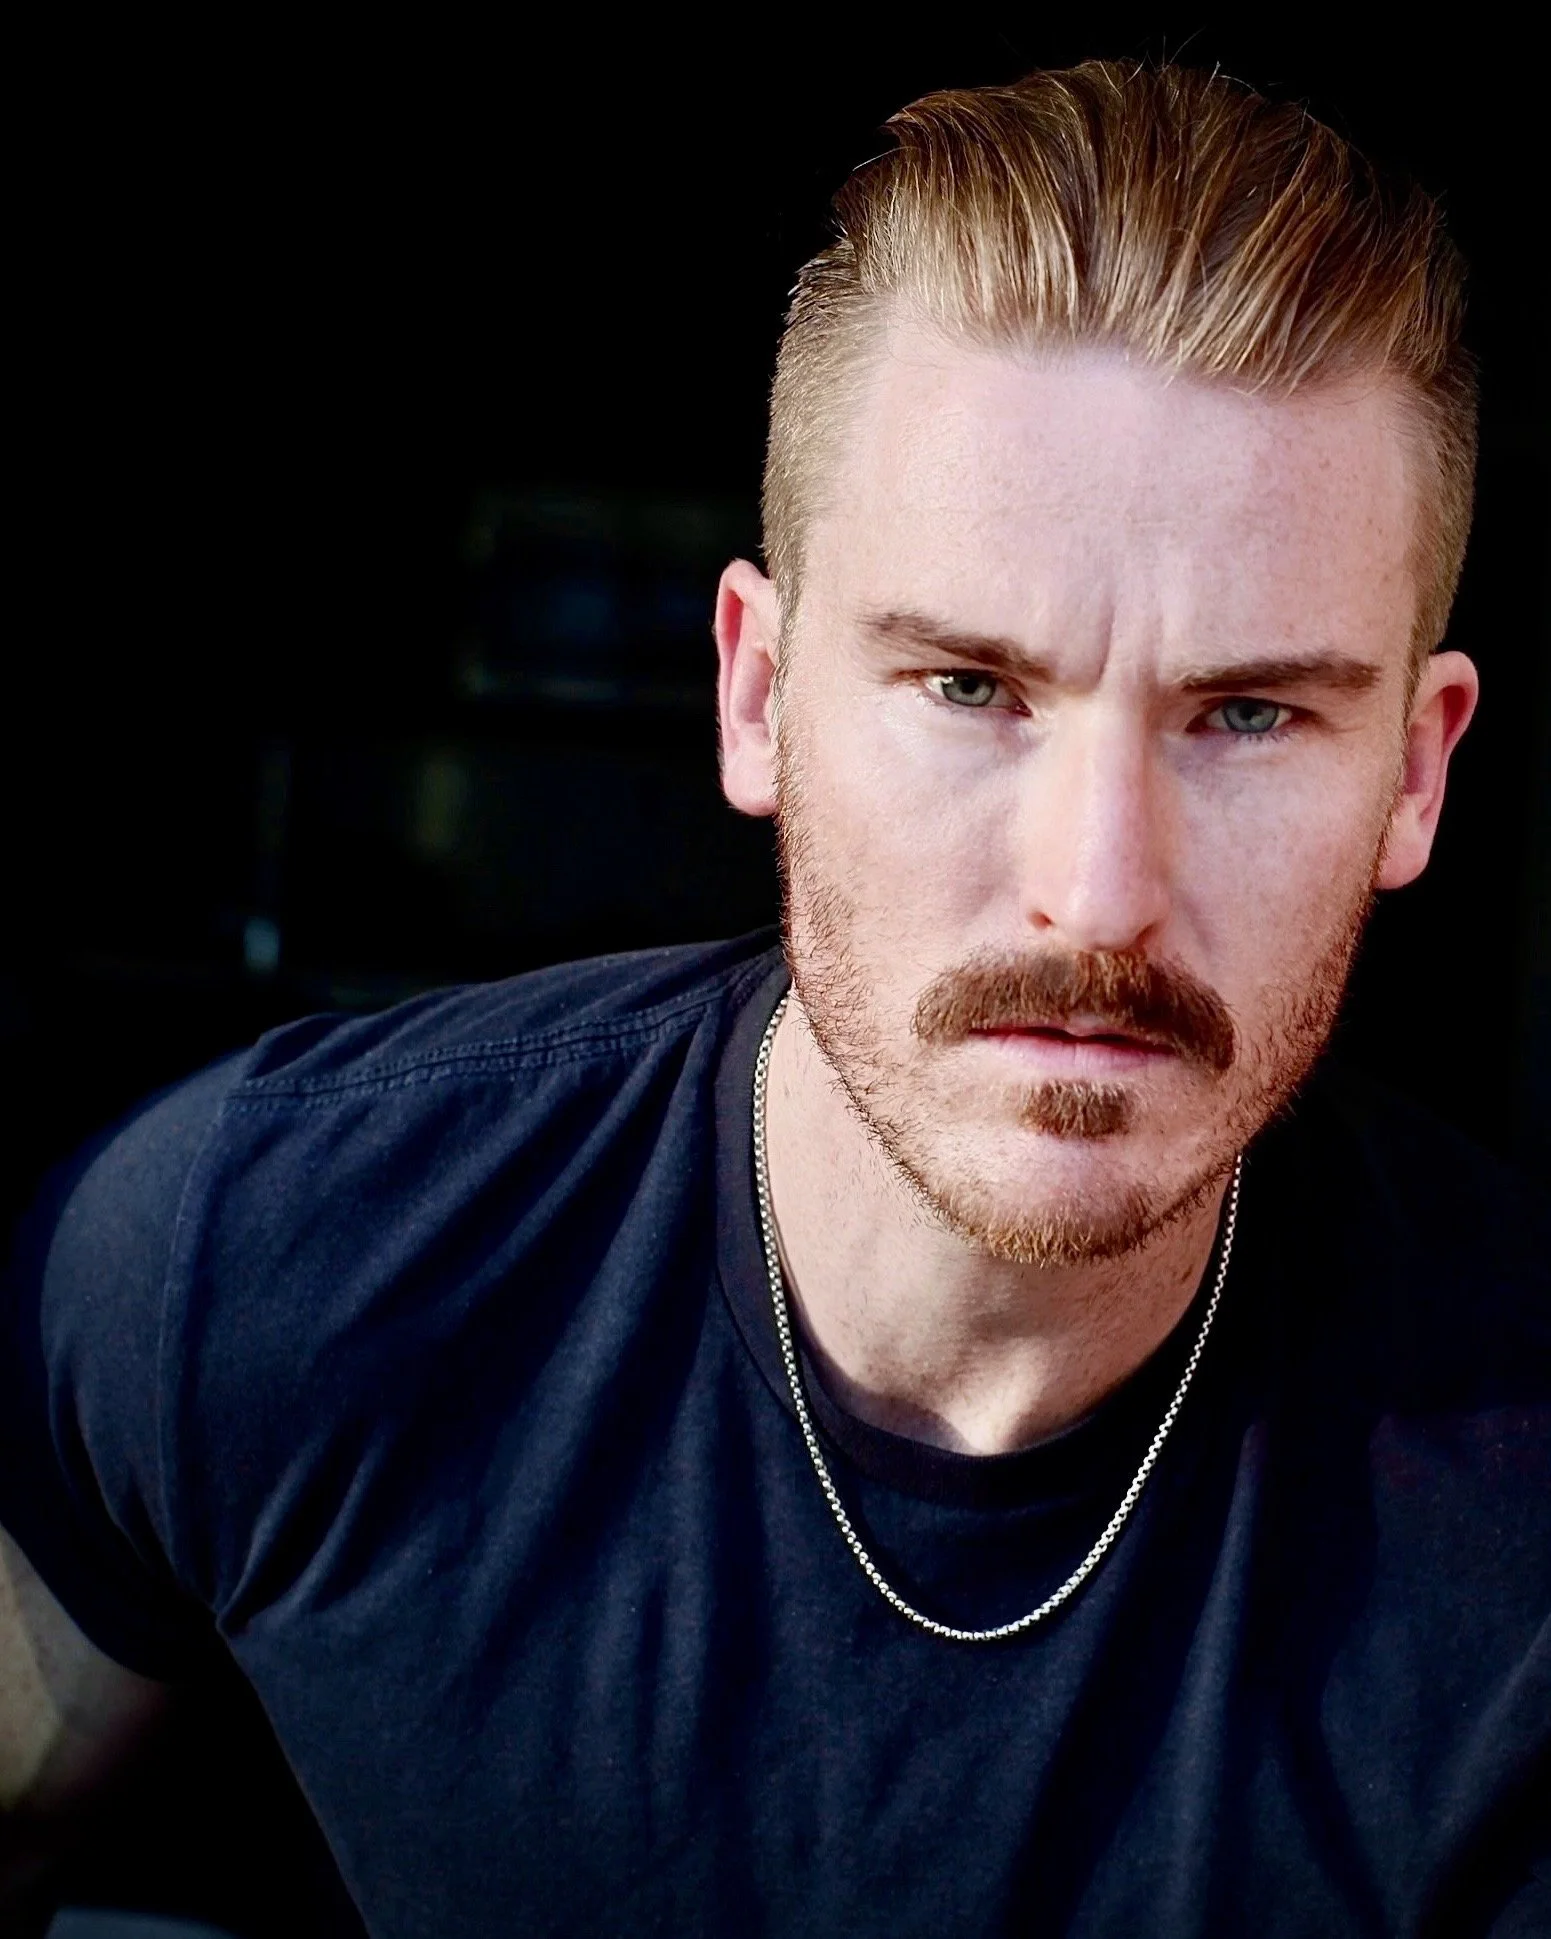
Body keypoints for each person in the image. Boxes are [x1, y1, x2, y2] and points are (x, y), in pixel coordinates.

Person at [2, 58, 1547, 1939]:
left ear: (1416, 772)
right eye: (969, 687)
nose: (1099, 891)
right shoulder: (266, 1259)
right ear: (757, 692)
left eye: (1245, 715)